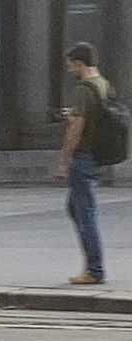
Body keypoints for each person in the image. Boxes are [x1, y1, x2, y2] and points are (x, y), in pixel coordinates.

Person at [59, 41, 111, 285]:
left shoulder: (83, 89)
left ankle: (94, 269)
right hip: (97, 156)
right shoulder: (103, 85)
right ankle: (93, 266)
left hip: (83, 157)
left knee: (85, 212)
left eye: (71, 66)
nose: (70, 71)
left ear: (80, 64)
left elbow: (77, 131)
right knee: (76, 208)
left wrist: (63, 161)